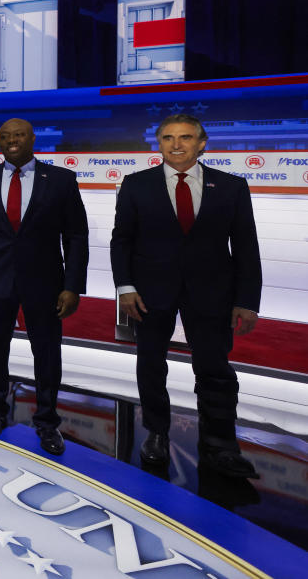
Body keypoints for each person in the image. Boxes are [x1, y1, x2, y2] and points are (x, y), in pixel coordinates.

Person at [111, 113, 261, 478]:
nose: (176, 145)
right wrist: (125, 288)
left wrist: (247, 300)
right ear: (158, 143)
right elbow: (122, 241)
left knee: (214, 369)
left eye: (185, 137)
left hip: (212, 293)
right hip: (149, 293)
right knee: (150, 365)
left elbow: (245, 247)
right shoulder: (135, 185)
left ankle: (220, 443)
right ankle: (156, 434)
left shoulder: (231, 187)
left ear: (202, 143)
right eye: (168, 138)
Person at [0, 118, 88, 456]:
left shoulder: (60, 180)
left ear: (32, 138)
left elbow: (76, 236)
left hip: (45, 283)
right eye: (4, 136)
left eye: (18, 135)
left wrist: (73, 285)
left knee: (46, 354)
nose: (11, 140)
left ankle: (47, 422)